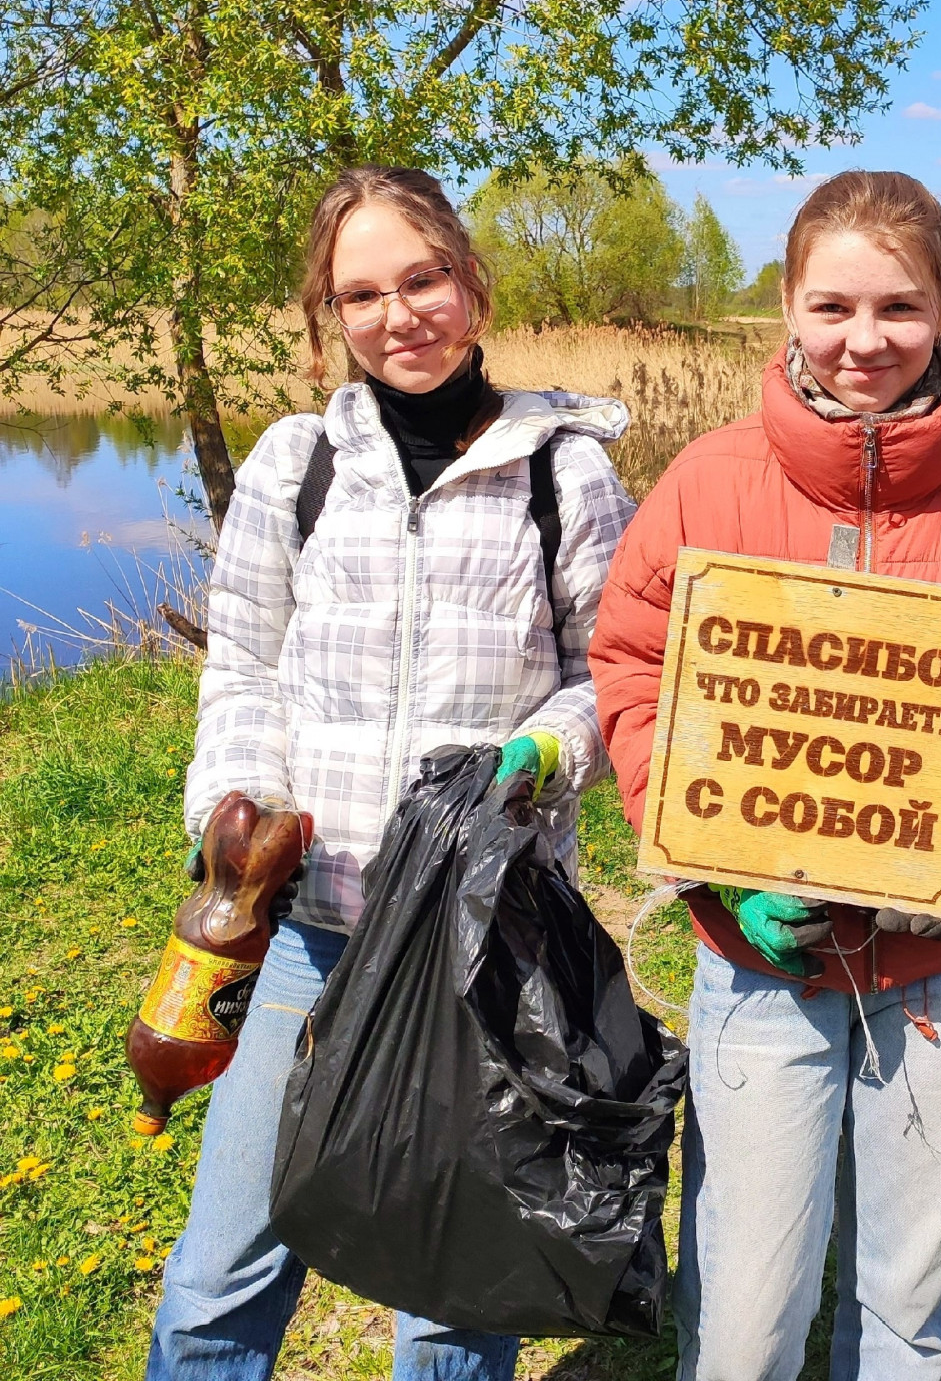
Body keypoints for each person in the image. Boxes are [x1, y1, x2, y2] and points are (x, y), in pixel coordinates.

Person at [589, 169, 941, 1380]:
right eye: (830, 307)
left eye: (897, 307)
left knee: (902, 1303)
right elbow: (631, 671)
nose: (863, 340)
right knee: (742, 1314)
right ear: (784, 305)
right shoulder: (708, 481)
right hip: (756, 957)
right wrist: (712, 867)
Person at [146, 165, 636, 1381]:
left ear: (470, 283)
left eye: (422, 279)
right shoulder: (293, 465)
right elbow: (244, 666)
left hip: (482, 943)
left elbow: (615, 673)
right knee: (221, 1274)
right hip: (313, 928)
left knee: (452, 1285)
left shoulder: (560, 471)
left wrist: (545, 753)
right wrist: (235, 802)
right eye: (361, 293)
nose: (398, 315)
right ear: (330, 314)